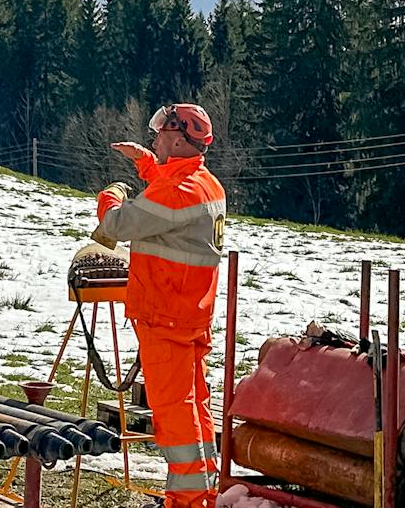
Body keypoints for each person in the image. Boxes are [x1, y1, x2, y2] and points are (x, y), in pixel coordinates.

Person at [93, 103, 226, 508]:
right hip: (189, 314)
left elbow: (118, 225)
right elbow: (170, 191)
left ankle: (185, 501)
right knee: (195, 405)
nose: (154, 138)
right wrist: (147, 163)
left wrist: (110, 195)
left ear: (179, 138)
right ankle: (203, 491)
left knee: (173, 415)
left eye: (160, 134)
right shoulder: (205, 184)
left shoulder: (177, 192)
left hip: (165, 316)